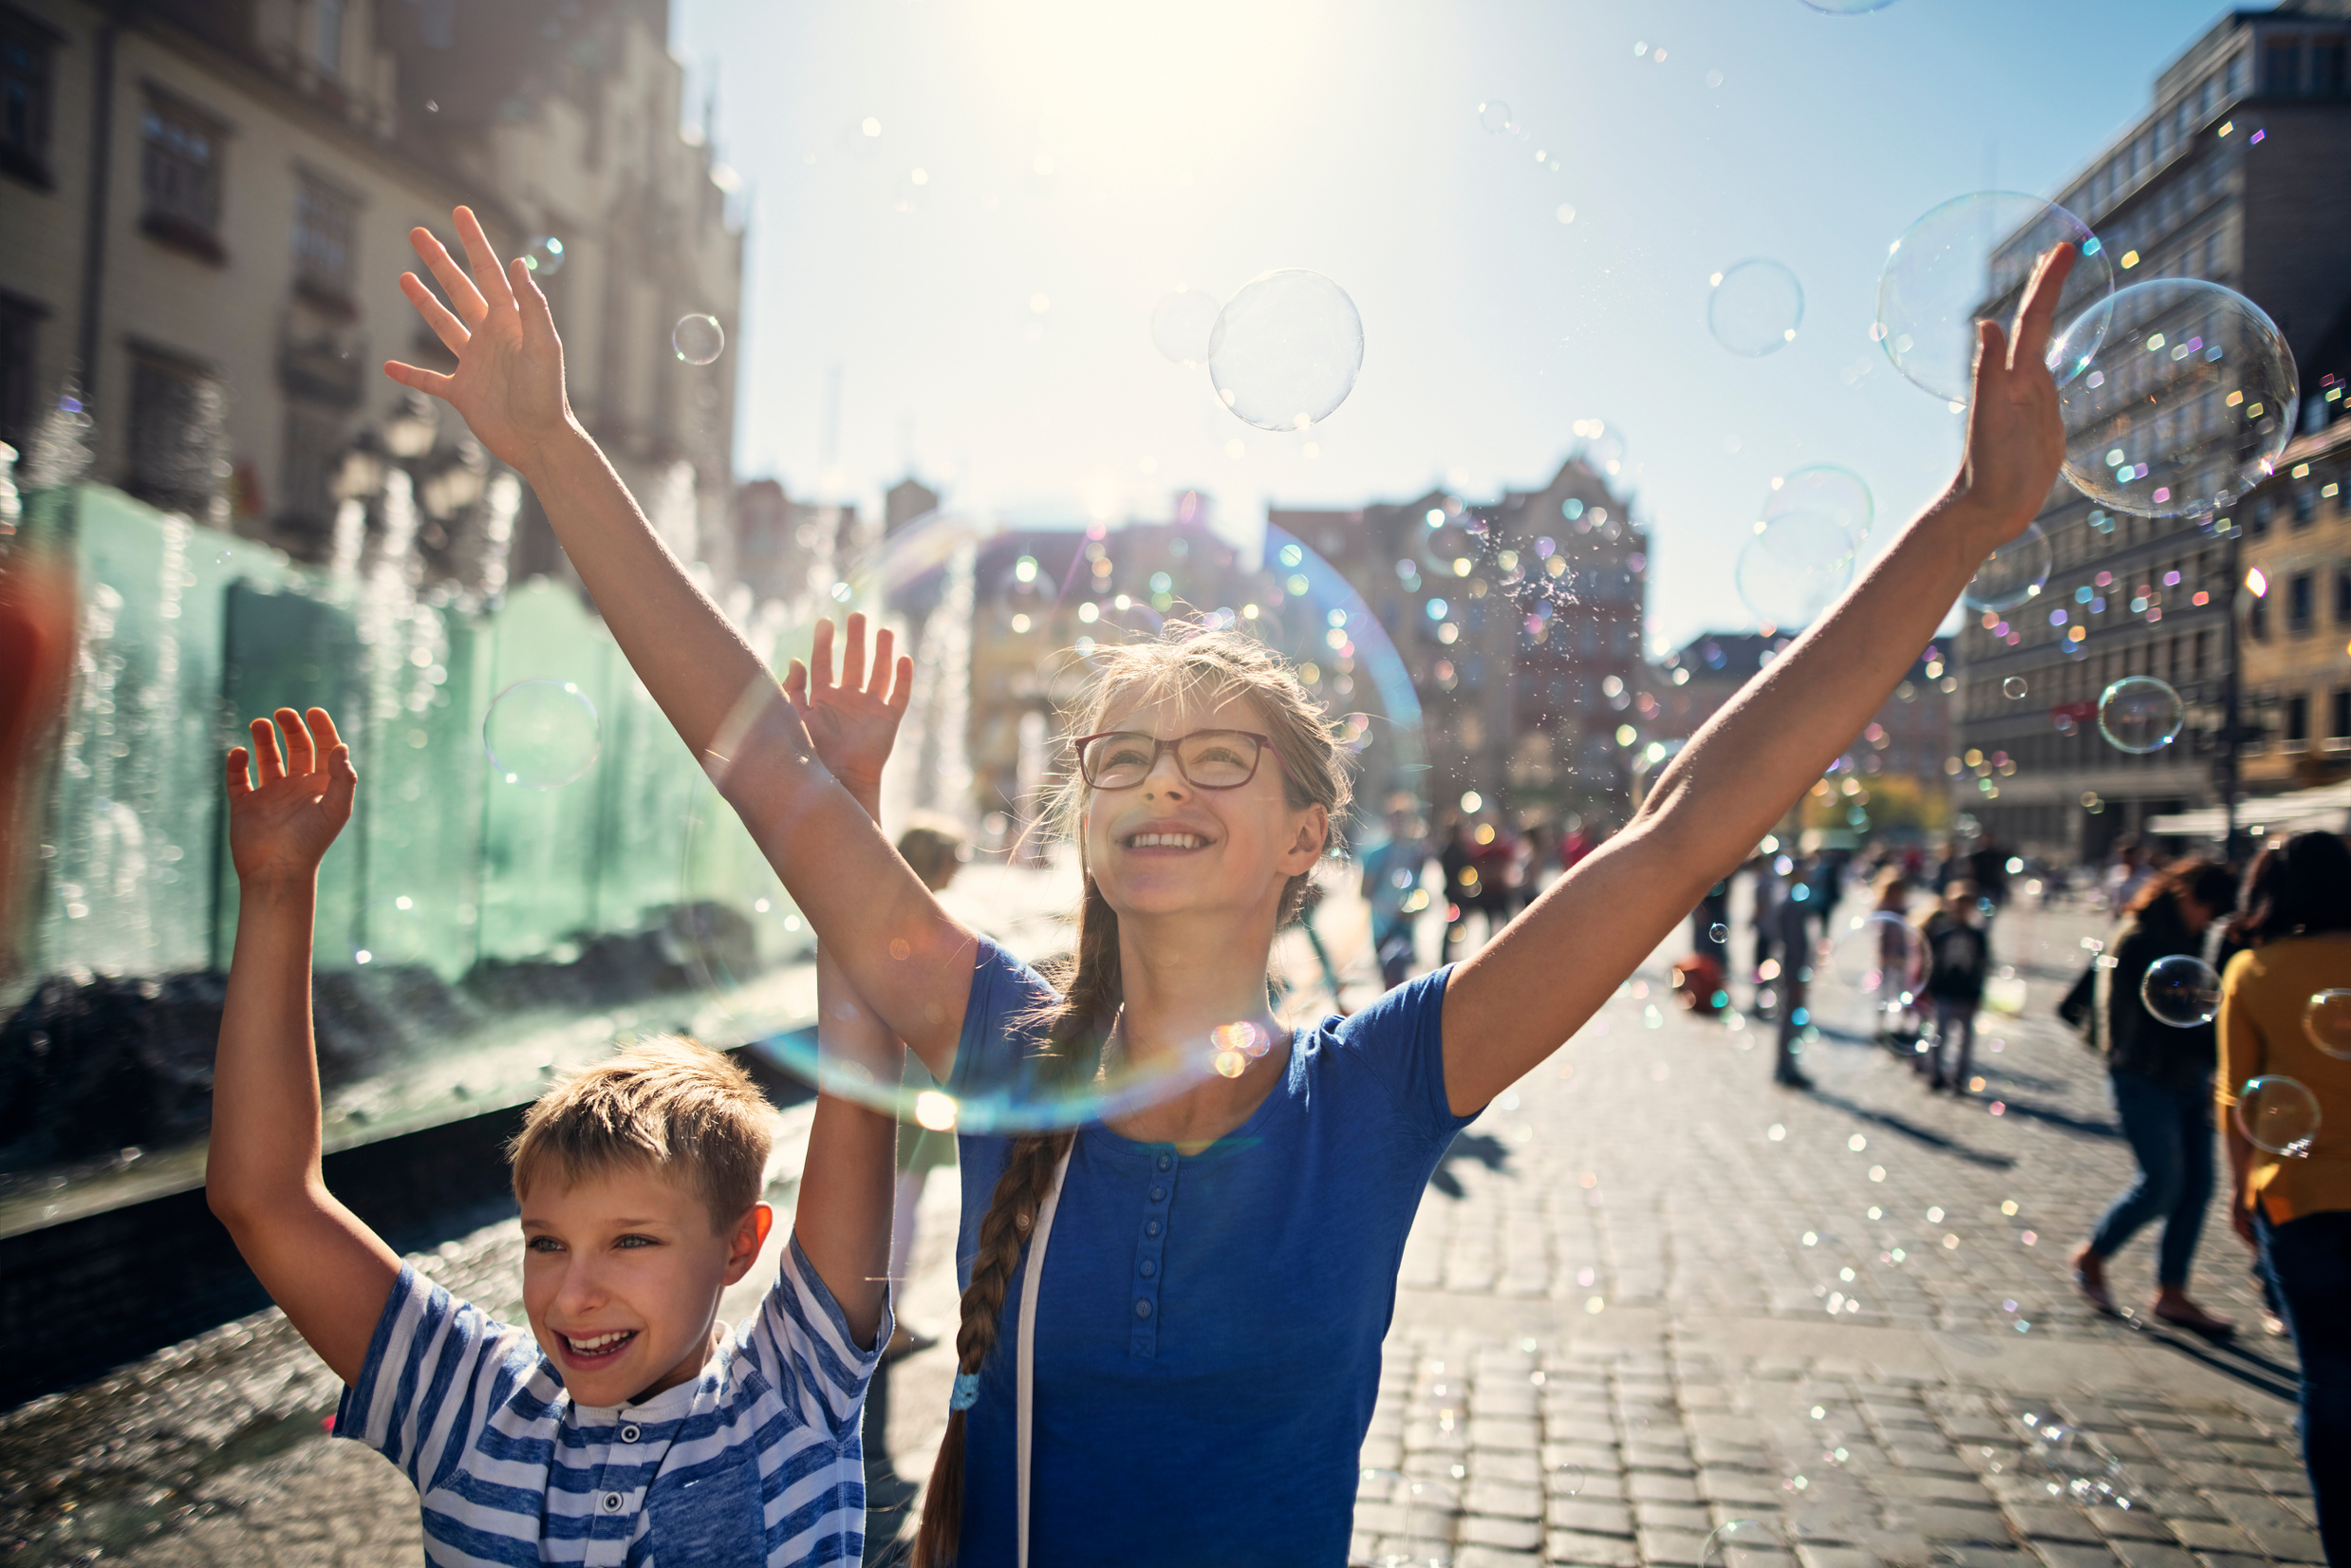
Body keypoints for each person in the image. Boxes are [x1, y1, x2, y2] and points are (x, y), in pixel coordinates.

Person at [382, 204, 2082, 1564]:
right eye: (1121, 755)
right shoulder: (993, 1029)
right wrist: (555, 454)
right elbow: (756, 753)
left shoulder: (1382, 1081)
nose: (1161, 781)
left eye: (1218, 757)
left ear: (1301, 839)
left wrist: (1960, 525)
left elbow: (1682, 828)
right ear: (1083, 826)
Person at [205, 706, 900, 1564]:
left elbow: (864, 1071)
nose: (573, 1297)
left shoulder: (790, 1395)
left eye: (630, 1241)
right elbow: (264, 1197)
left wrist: (847, 811)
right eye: (545, 1244)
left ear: (739, 1246)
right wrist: (277, 886)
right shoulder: (471, 1402)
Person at [2216, 831, 2351, 1562]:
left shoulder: (2251, 969)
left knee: (2330, 1381)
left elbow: (2234, 1097)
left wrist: (2241, 1192)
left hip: (2298, 1198)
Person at [2070, 857, 2240, 1334]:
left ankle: (2172, 1291)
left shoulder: (2186, 938)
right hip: (2143, 1077)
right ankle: (2093, 1254)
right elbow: (2178, 1020)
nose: (2208, 920)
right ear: (2188, 895)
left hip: (2186, 1079)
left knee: (2198, 1187)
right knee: (2162, 1183)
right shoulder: (2142, 939)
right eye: (2208, 909)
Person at [886, 812, 971, 1361]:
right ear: (936, 862)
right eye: (956, 858)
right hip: (916, 1089)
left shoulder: (882, 912)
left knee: (888, 1201)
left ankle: (872, 1320)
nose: (962, 869)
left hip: (889, 1083)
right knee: (903, 1204)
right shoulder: (932, 924)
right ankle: (887, 1324)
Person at [1915, 880, 1988, 1092]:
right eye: (1958, 903)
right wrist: (1929, 989)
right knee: (1939, 1036)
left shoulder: (1977, 935)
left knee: (1966, 1039)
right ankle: (1936, 1074)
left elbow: (1981, 966)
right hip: (1944, 991)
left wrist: (1979, 992)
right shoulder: (1940, 932)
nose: (1961, 909)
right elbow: (1931, 964)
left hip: (1967, 993)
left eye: (1967, 904)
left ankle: (1960, 1077)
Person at [1357, 795, 1429, 991]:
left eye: (1404, 818)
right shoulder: (1377, 854)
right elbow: (1365, 892)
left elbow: (1419, 890)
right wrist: (1394, 909)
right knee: (1389, 979)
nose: (1400, 824)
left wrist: (1417, 907)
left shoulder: (1415, 853)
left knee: (1401, 979)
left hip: (1404, 926)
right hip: (1383, 927)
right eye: (1396, 818)